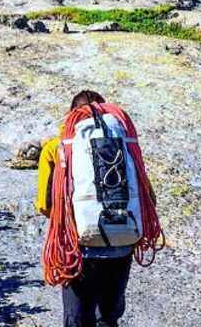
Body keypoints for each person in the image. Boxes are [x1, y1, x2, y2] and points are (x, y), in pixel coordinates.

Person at [36, 90, 157, 327]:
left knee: (78, 320)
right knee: (109, 318)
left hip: (78, 249)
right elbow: (148, 198)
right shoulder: (125, 144)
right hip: (122, 244)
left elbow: (44, 205)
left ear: (72, 114)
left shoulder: (55, 148)